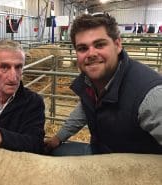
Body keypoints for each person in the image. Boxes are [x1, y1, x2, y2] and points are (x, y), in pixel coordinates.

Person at [45, 13, 162, 156]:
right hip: (102, 156)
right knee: (52, 155)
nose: (91, 53)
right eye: (82, 48)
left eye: (100, 44)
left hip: (134, 173)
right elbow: (86, 107)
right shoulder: (92, 82)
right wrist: (58, 138)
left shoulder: (151, 96)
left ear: (118, 45)